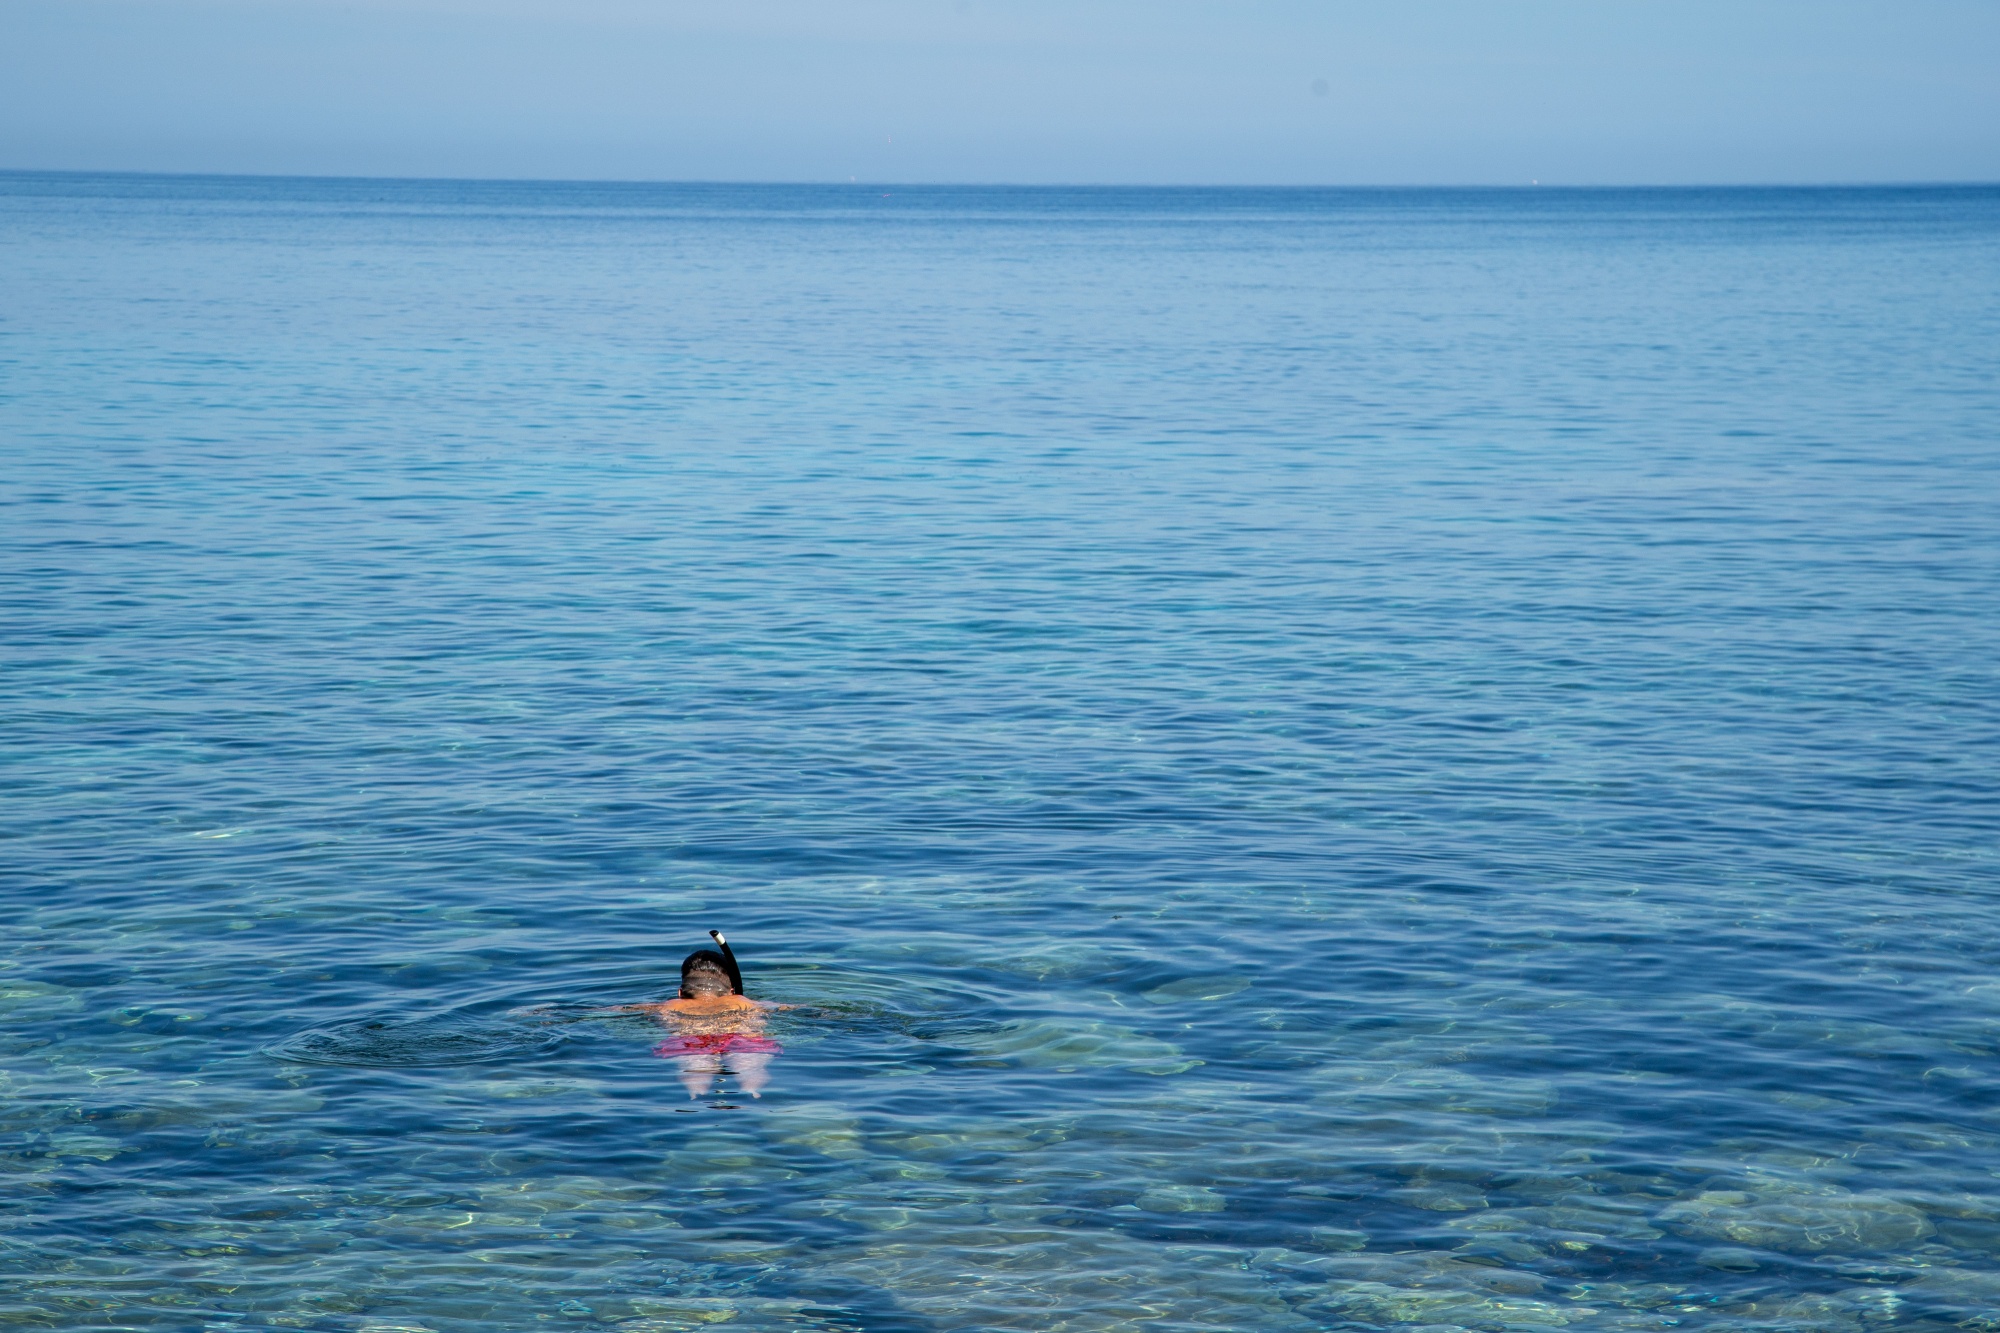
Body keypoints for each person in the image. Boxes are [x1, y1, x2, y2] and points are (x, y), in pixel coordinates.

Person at [626, 931, 787, 1099]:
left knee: (696, 1067)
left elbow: (622, 1009)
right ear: (731, 991)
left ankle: (696, 1091)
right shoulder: (744, 1003)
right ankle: (752, 1088)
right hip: (742, 1039)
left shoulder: (669, 1006)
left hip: (692, 1042)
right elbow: (792, 1008)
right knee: (751, 1067)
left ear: (680, 993)